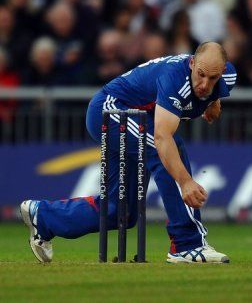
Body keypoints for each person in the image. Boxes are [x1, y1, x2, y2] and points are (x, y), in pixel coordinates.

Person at [20, 42, 236, 264]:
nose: (204, 84)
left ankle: (44, 217)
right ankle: (187, 244)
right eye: (200, 75)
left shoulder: (227, 77)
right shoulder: (175, 78)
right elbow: (162, 137)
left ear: (222, 72)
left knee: (120, 210)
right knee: (167, 149)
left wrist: (213, 100)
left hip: (134, 117)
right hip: (110, 108)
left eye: (213, 78)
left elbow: (209, 86)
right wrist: (186, 182)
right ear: (192, 63)